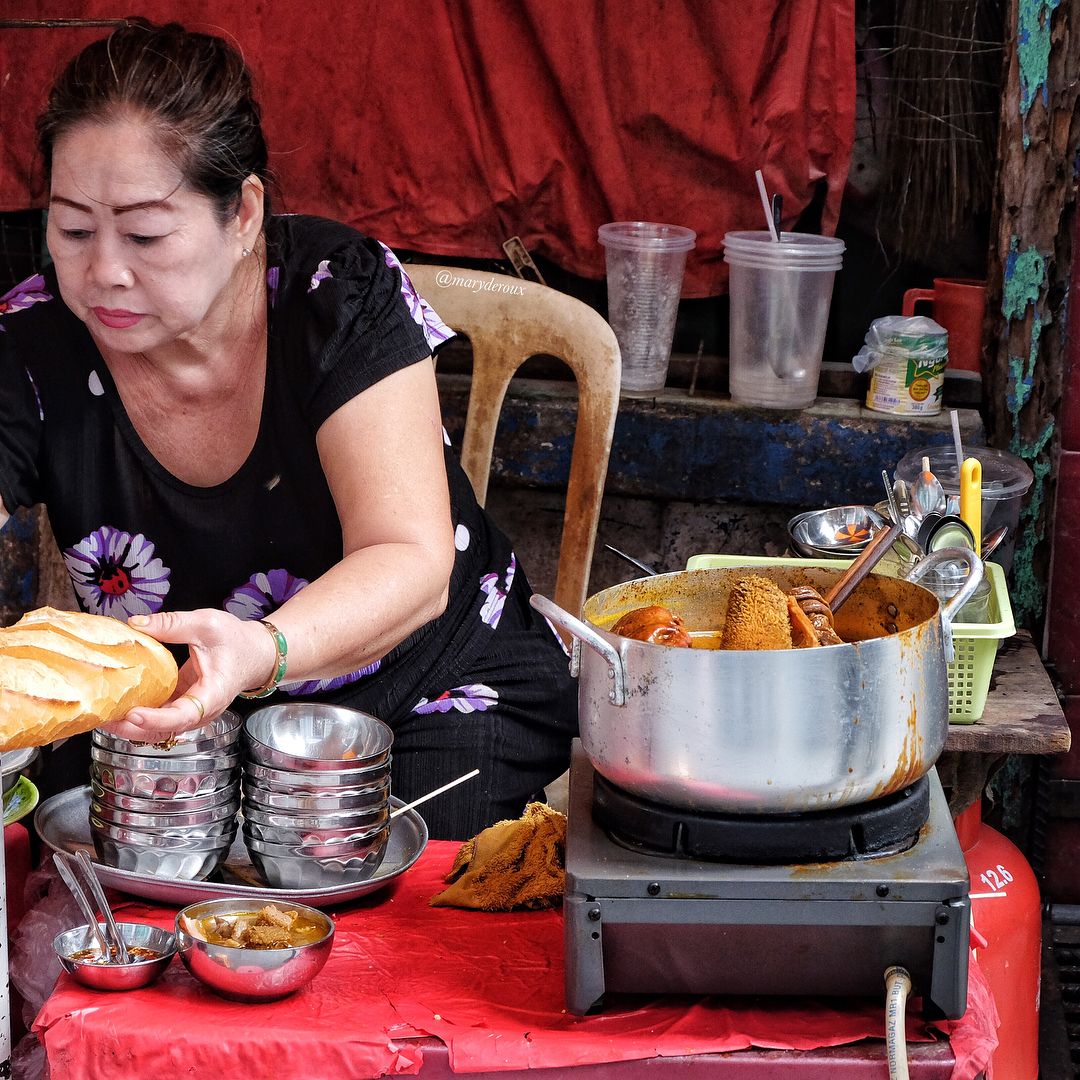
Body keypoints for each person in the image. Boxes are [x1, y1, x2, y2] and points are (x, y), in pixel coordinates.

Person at [0, 18, 578, 841]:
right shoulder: (32, 342)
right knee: (69, 896)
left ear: (242, 214)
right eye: (72, 229)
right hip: (172, 715)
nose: (104, 272)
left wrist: (257, 653)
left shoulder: (335, 295)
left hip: (420, 690)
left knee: (387, 907)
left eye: (145, 233)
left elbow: (410, 560)